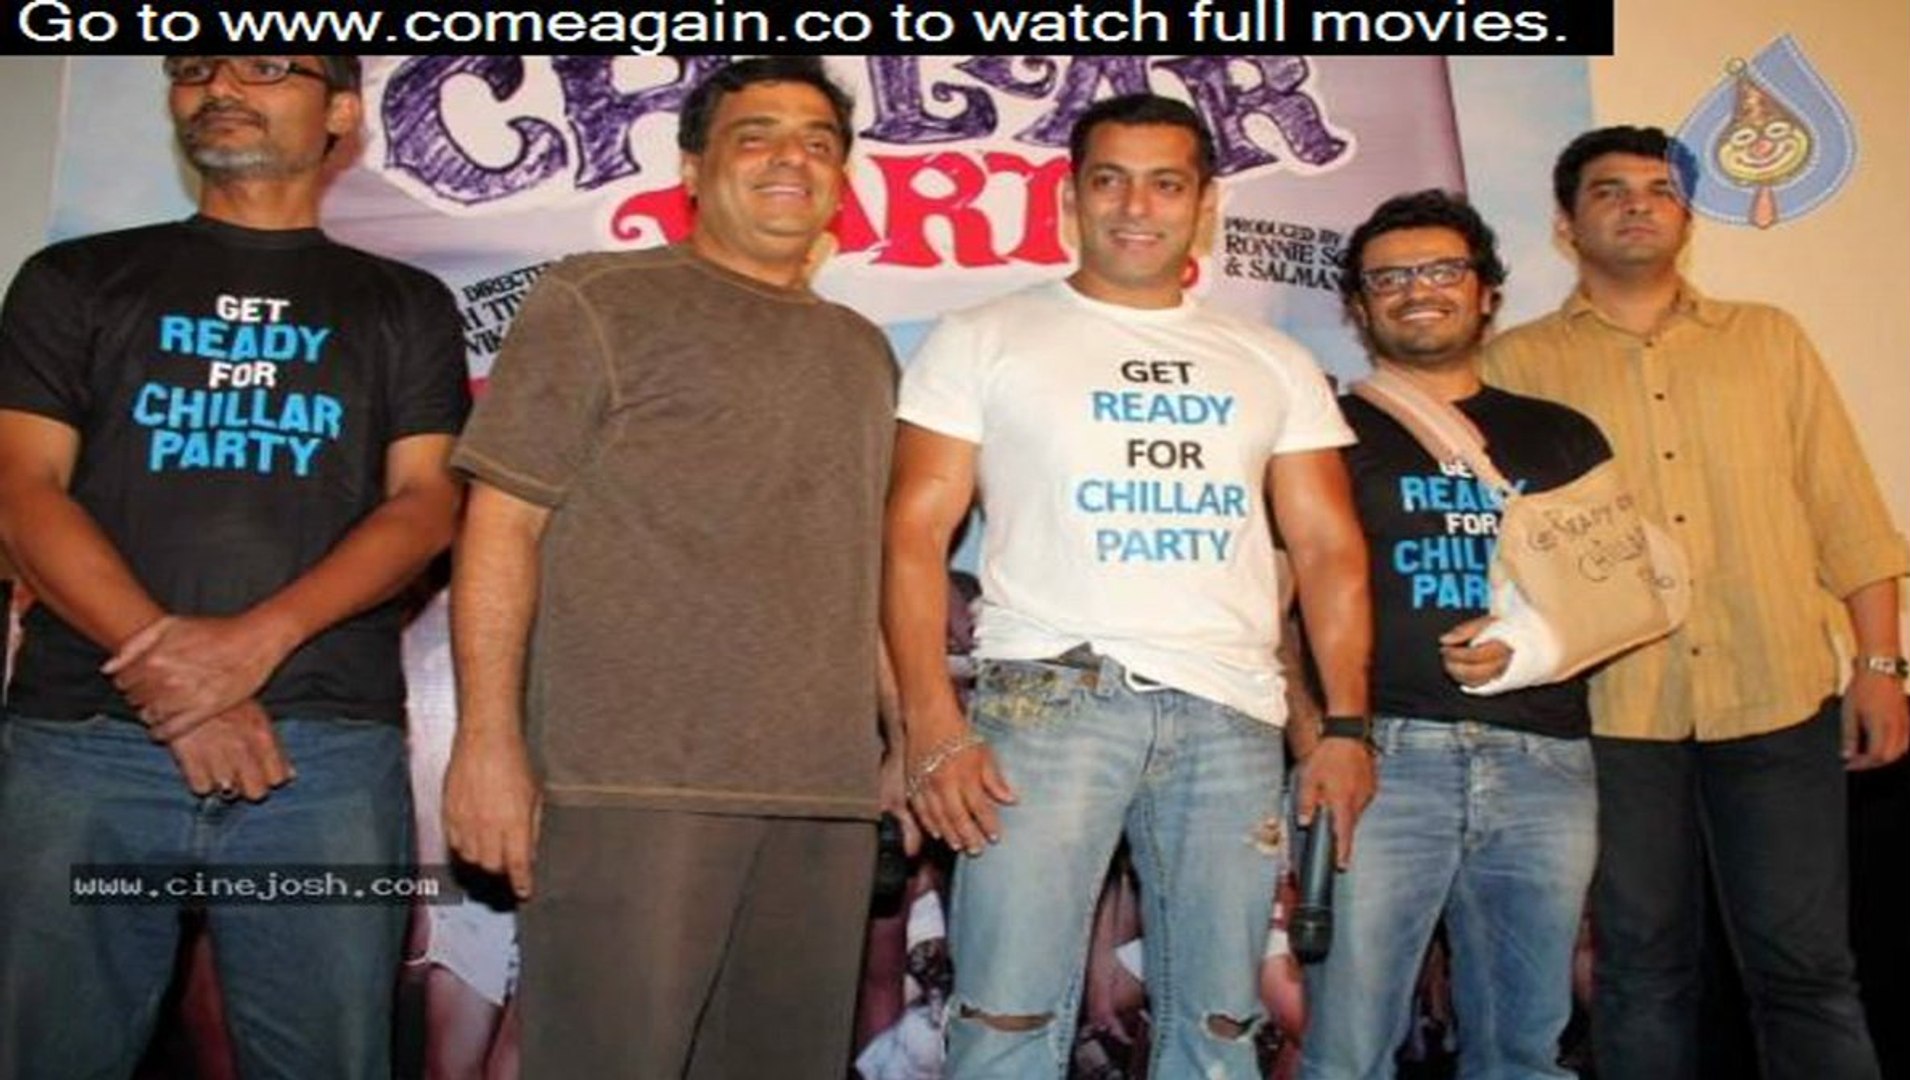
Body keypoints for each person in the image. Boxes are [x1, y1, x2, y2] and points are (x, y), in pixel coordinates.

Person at [884, 92, 1375, 1078]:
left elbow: (1328, 549)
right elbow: (912, 535)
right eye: (1109, 181)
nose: (1136, 207)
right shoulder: (982, 335)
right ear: (1071, 198)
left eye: (1165, 184)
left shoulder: (1273, 359)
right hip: (1046, 702)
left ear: (1206, 204)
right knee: (1004, 1020)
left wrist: (1346, 727)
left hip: (1231, 716)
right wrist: (933, 723)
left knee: (1222, 1032)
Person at [0, 55, 469, 1078]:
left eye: (262, 66)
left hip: (323, 756)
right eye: (193, 67)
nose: (219, 86)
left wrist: (250, 647)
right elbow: (22, 491)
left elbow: (427, 506)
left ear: (339, 109)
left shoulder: (404, 303)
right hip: (85, 743)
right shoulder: (72, 279)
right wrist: (184, 686)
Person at [440, 57, 898, 1077]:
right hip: (628, 787)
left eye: (819, 143)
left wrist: (903, 737)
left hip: (821, 799)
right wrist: (487, 741)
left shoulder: (864, 350)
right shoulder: (598, 299)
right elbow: (501, 524)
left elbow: (856, 569)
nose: (791, 159)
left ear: (843, 179)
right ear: (692, 168)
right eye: (756, 135)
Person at [1485, 124, 1910, 1079]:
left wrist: (1881, 665)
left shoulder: (1768, 338)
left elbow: (1846, 508)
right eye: (1609, 190)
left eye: (1660, 189)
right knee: (1641, 970)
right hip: (1614, 715)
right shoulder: (1518, 365)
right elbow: (1498, 551)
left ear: (1685, 216)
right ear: (1566, 224)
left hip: (1778, 694)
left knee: (1806, 969)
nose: (1638, 205)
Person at [1299, 190, 1610, 1079]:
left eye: (1442, 270)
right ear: (1359, 308)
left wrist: (1537, 645)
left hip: (1544, 763)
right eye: (1388, 278)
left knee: (1524, 1051)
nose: (1417, 290)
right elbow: (1278, 598)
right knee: (1346, 1052)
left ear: (1487, 293)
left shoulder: (1563, 435)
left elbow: (1619, 593)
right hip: (1383, 760)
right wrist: (1314, 737)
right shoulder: (1320, 433)